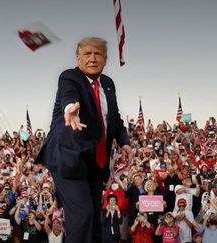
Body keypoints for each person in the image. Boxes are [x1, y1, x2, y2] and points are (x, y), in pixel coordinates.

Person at [35, 37, 131, 243]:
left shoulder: (108, 84)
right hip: (68, 158)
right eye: (87, 54)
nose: (93, 58)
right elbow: (69, 97)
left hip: (95, 162)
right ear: (78, 58)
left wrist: (124, 142)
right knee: (82, 215)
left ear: (105, 59)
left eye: (98, 54)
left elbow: (114, 118)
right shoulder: (70, 77)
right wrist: (71, 109)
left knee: (95, 217)